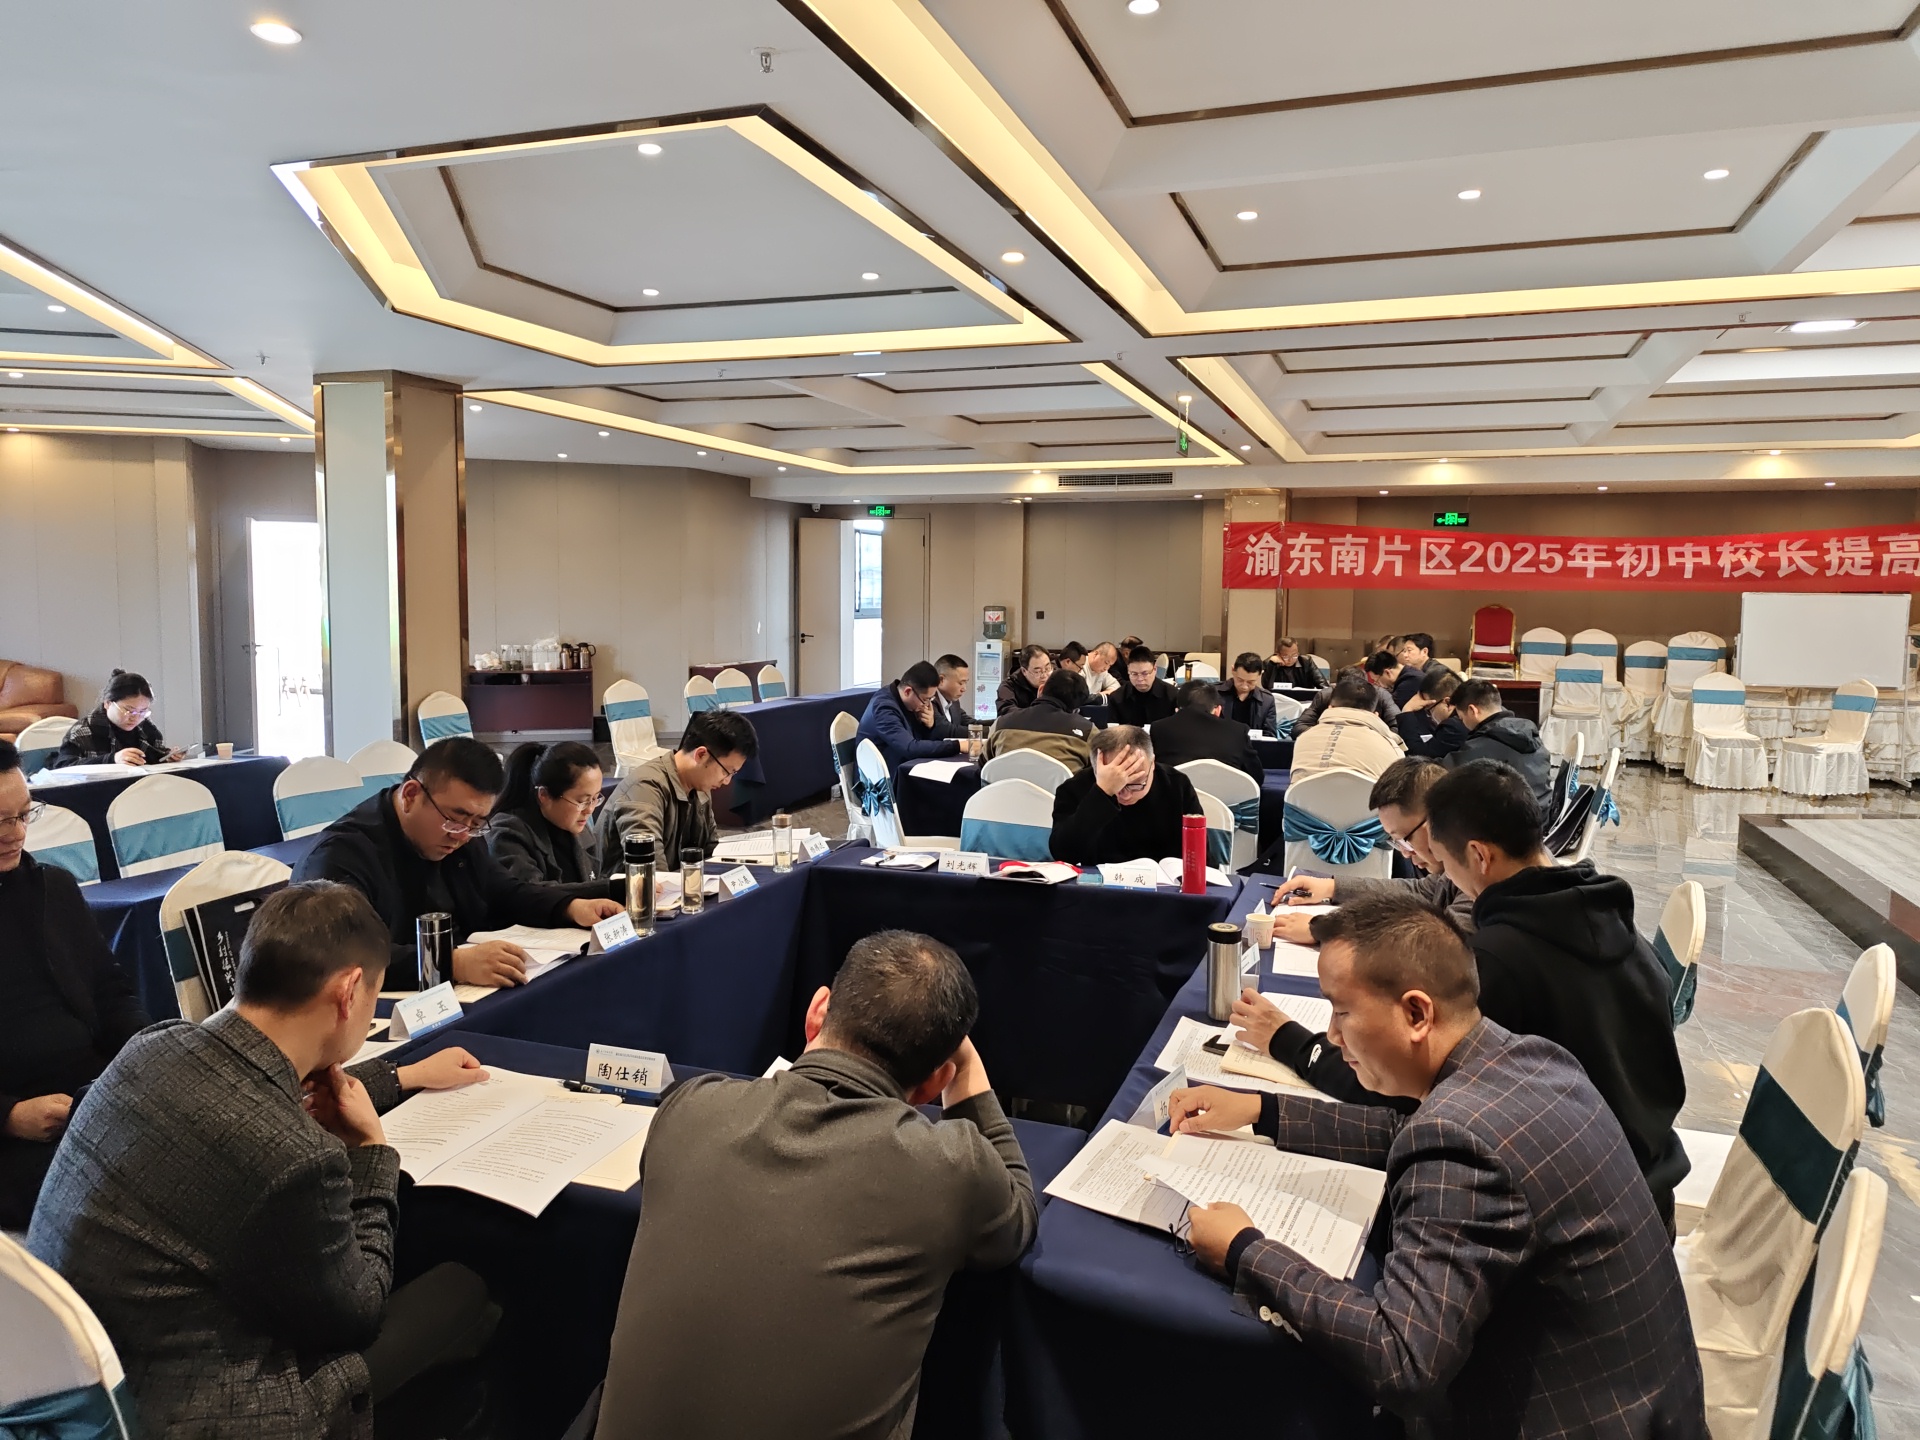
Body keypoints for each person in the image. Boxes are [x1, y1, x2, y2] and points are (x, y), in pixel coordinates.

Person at [1170, 894, 1705, 1440]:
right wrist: (1262, 1111)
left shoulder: (1460, 1144)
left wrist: (1245, 1249)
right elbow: (1404, 1131)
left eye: (1342, 1011)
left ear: (1416, 1014)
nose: (1331, 1035)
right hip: (1651, 1408)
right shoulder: (1533, 1057)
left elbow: (1400, 1362)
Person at [29, 882, 502, 1439]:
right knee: (464, 1289)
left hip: (70, 1387)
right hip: (199, 1414)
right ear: (350, 991)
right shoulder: (294, 1159)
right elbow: (357, 1313)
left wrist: (404, 1076)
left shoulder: (153, 1045)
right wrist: (374, 1156)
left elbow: (279, 1092)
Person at [592, 930, 1036, 1440]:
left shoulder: (689, 1107)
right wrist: (968, 1068)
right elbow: (1018, 1215)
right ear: (936, 1083)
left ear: (817, 1011)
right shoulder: (949, 1166)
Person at [1420, 759, 1689, 1228]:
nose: (1448, 880)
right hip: (1651, 1195)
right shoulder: (1623, 930)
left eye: (1446, 865)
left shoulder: (1498, 961)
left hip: (1578, 1223)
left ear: (1479, 856)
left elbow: (1436, 1093)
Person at [296, 736, 622, 991]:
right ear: (410, 795)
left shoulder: (462, 835)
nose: (464, 835)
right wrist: (453, 963)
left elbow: (505, 891)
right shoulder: (339, 856)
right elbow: (343, 956)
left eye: (478, 823)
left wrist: (569, 907)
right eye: (456, 818)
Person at [0, 739, 150, 1230]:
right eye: (0, 821)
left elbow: (110, 990)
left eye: (23, 815)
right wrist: (10, 1116)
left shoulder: (52, 888)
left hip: (91, 1092)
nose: (16, 834)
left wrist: (145, 1054)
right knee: (118, 1187)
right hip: (17, 1128)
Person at [597, 709, 761, 865]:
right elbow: (649, 868)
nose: (727, 781)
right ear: (701, 755)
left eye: (733, 774)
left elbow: (710, 849)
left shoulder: (700, 787)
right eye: (726, 771)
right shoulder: (645, 789)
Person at [1048, 725, 1204, 864]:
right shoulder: (1074, 788)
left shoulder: (1176, 786)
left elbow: (1201, 858)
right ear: (1096, 769)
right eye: (1116, 784)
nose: (1126, 795)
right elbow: (1063, 854)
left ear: (1153, 764)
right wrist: (1102, 793)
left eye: (1136, 784)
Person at [486, 741, 619, 902]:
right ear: (544, 795)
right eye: (582, 801)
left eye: (595, 798)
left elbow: (592, 880)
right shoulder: (507, 833)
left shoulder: (577, 827)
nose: (590, 809)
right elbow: (531, 893)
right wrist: (610, 889)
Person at [1447, 678, 1554, 815]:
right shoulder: (1528, 730)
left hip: (1512, 824)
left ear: (1473, 710)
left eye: (1462, 718)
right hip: (1543, 816)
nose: (1462, 723)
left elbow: (1442, 771)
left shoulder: (1484, 742)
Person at [47, 669, 181, 769]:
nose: (135, 717)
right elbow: (63, 767)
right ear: (108, 703)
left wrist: (167, 757)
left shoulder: (145, 728)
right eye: (129, 710)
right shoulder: (83, 732)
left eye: (142, 712)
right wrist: (112, 759)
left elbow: (152, 756)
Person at [1288, 671, 1406, 782]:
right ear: (1375, 715)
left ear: (1330, 708)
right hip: (1363, 798)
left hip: (1303, 798)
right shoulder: (1392, 747)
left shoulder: (1303, 739)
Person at [858, 661, 964, 776]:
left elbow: (921, 742)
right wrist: (958, 746)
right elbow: (910, 748)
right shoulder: (884, 708)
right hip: (881, 779)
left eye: (931, 699)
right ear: (908, 691)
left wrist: (929, 726)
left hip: (903, 767)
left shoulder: (908, 703)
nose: (927, 705)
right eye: (926, 699)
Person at [1150, 679, 1263, 784]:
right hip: (1226, 797)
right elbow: (1256, 777)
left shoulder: (1159, 728)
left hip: (1177, 796)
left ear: (1177, 709)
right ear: (1217, 710)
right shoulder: (1237, 731)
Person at [987, 670, 1093, 772]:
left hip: (1003, 784)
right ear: (1076, 708)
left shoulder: (1001, 725)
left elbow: (984, 767)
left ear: (1041, 689)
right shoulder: (1087, 733)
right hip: (1060, 785)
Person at [1291, 665, 1399, 737]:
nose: (1353, 693)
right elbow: (1300, 727)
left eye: (1358, 688)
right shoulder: (1325, 695)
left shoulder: (1381, 695)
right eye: (1347, 690)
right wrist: (1326, 735)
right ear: (1336, 687)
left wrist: (1373, 738)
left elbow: (1400, 726)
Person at [1396, 666, 1469, 759]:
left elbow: (1418, 755)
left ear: (1447, 703)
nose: (1428, 715)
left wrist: (1407, 710)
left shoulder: (1453, 728)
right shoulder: (1466, 713)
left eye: (1429, 708)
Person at [1106, 645, 1177, 727]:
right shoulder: (1117, 698)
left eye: (1145, 673)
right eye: (1134, 674)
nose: (1140, 679)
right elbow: (1112, 732)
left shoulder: (1172, 696)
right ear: (1128, 671)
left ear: (1154, 669)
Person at [1216, 652, 1277, 737]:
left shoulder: (1267, 701)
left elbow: (1269, 735)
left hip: (1254, 744)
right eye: (1240, 680)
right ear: (1233, 670)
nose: (1244, 686)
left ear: (1260, 675)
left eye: (1250, 682)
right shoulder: (1214, 693)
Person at [994, 644, 1054, 717]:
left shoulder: (1057, 680)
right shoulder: (1009, 686)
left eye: (1047, 668)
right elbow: (1007, 714)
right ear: (1024, 671)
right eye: (1037, 671)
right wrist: (1037, 708)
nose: (1044, 675)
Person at [930, 654, 973, 737]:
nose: (964, 689)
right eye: (961, 683)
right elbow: (947, 730)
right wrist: (990, 732)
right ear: (941, 680)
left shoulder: (953, 701)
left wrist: (996, 725)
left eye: (966, 682)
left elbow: (969, 722)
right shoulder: (929, 701)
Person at [1392, 631, 1434, 706]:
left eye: (1409, 650)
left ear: (1424, 652)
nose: (1405, 655)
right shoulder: (1415, 671)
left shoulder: (1435, 673)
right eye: (1404, 651)